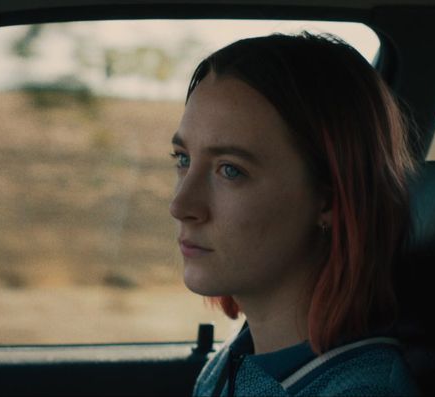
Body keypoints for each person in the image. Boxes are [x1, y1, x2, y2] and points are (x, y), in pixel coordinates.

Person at [169, 32, 420, 396]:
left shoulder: (360, 390)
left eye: (231, 170)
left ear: (329, 201)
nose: (180, 206)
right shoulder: (231, 363)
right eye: (183, 159)